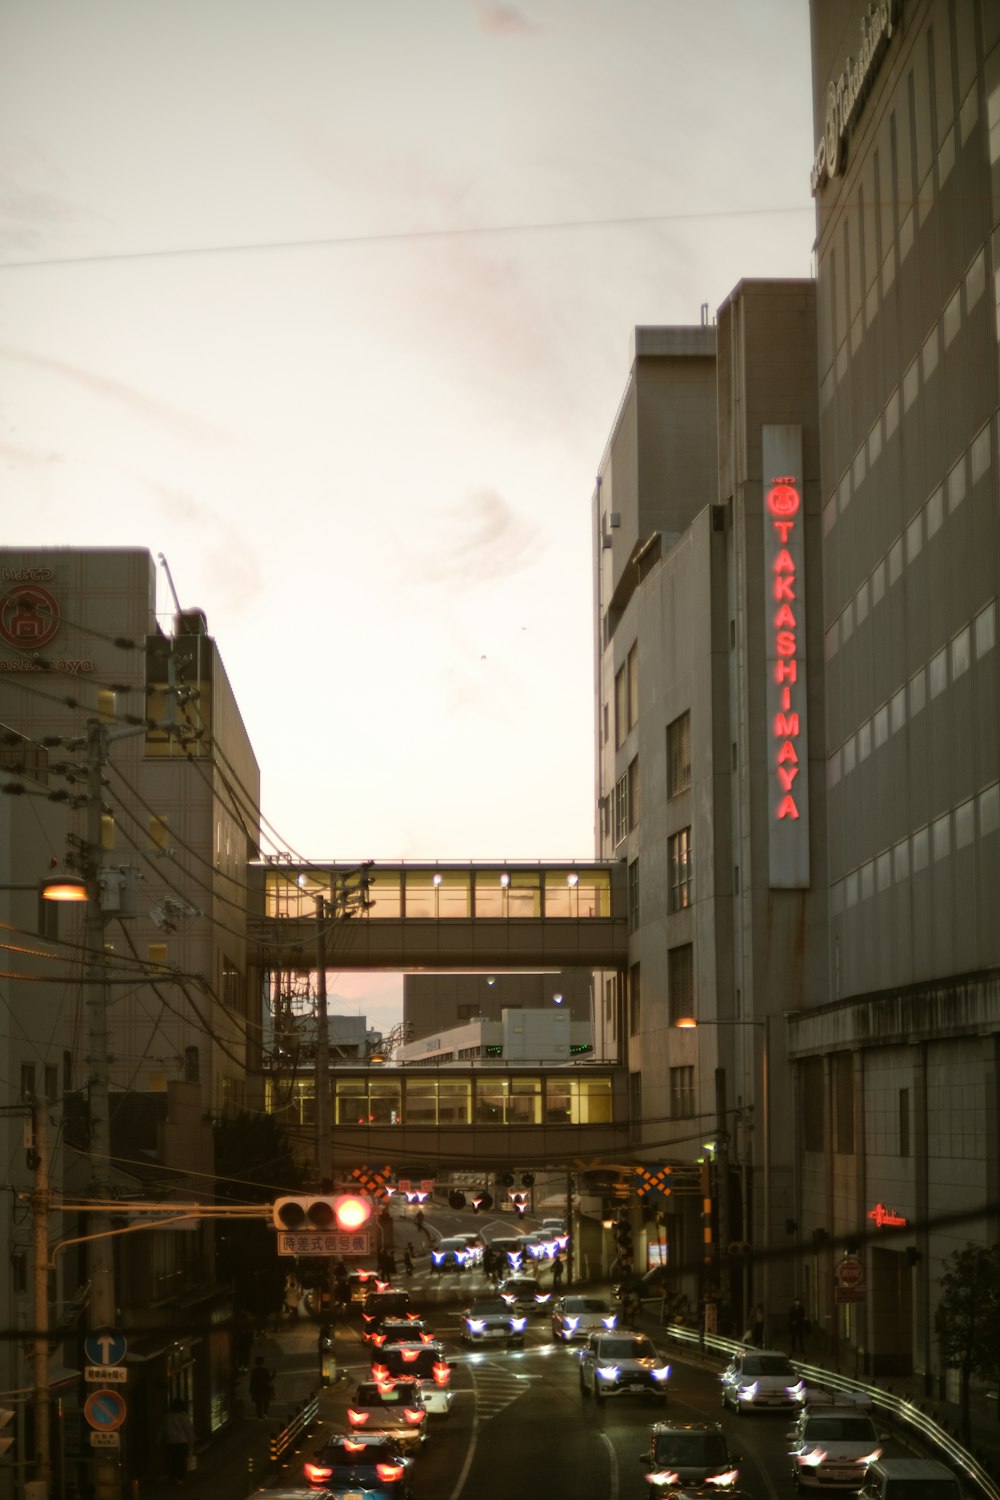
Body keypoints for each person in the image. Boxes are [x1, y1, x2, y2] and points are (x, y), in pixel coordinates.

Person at [158, 1396, 195, 1485]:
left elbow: (162, 1429)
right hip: (182, 1442)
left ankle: (174, 1476)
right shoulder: (184, 1417)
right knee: (181, 1460)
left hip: (171, 1441)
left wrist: (158, 1439)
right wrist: (191, 1441)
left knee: (173, 1459)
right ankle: (179, 1478)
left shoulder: (168, 1417)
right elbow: (188, 1430)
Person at [249, 1355, 276, 1420]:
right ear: (263, 1362)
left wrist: (251, 1389)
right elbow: (269, 1379)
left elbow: (252, 1381)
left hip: (257, 1389)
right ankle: (265, 1414)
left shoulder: (254, 1371)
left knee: (258, 1403)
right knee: (266, 1402)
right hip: (265, 1389)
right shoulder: (265, 1370)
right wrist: (274, 1374)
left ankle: (259, 1417)